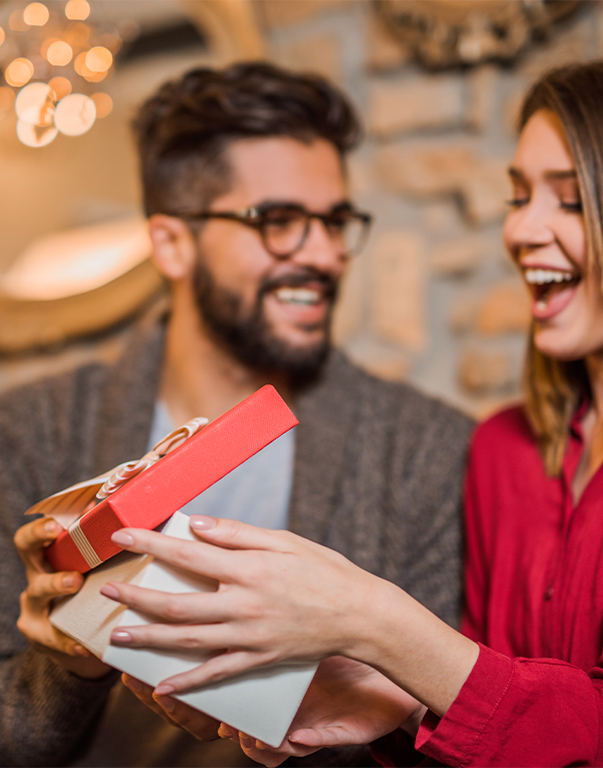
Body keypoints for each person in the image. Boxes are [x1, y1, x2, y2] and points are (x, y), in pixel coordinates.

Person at [97, 58, 603, 767]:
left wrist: (374, 621)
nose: (524, 231)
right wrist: (394, 701)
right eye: (518, 197)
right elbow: (504, 725)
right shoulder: (504, 450)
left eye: (571, 201)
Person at [0, 62, 473, 767]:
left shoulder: (427, 448)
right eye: (277, 221)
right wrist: (64, 666)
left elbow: (446, 735)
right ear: (172, 243)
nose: (323, 255)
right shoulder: (31, 429)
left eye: (336, 221)